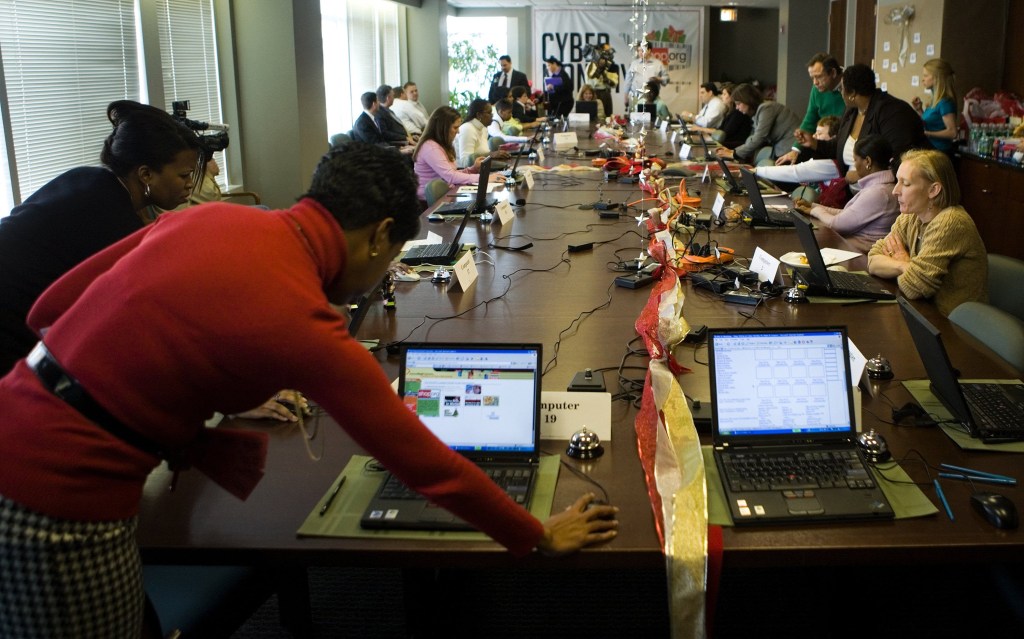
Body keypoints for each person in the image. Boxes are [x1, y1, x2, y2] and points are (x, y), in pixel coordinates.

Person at [0, 142, 619, 636]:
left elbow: (47, 310)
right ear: (379, 236)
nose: (384, 273)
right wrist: (535, 534)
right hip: (54, 504)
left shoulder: (213, 217)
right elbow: (424, 463)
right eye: (393, 254)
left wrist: (199, 373)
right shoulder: (303, 315)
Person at [0, 100, 204, 376]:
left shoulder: (87, 180)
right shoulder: (114, 224)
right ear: (145, 174)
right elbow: (146, 323)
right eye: (184, 174)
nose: (190, 184)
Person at [867, 149, 988, 316]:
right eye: (897, 181)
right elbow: (873, 260)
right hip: (926, 313)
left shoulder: (951, 222)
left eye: (906, 183)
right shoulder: (911, 216)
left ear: (933, 190)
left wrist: (899, 263)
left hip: (956, 327)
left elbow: (914, 288)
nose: (895, 190)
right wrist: (904, 264)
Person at [790, 64, 930, 185]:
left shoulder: (892, 112)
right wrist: (814, 142)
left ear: (852, 93)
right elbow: (840, 146)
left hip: (889, 192)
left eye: (842, 89)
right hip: (855, 192)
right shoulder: (852, 111)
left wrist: (861, 175)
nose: (840, 92)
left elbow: (901, 159)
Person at [791, 135, 900, 252]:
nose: (854, 166)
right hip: (853, 249)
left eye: (855, 160)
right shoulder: (881, 187)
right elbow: (847, 214)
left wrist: (814, 211)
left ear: (867, 161)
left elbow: (837, 224)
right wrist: (813, 206)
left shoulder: (878, 193)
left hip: (859, 256)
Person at [413, 106, 504, 201]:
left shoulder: (440, 144)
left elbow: (451, 174)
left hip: (447, 194)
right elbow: (451, 177)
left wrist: (472, 169)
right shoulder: (430, 148)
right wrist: (484, 178)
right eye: (455, 127)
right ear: (443, 128)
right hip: (430, 204)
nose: (458, 131)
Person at [776, 53, 846, 165]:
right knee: (788, 163)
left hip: (841, 145)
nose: (815, 83)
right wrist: (795, 150)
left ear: (833, 73)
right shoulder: (816, 89)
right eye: (812, 78)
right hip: (820, 141)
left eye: (818, 76)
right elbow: (810, 119)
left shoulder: (849, 85)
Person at [714, 83, 800, 163]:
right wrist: (734, 151)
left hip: (792, 149)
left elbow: (759, 137)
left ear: (747, 100)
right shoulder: (758, 112)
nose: (737, 108)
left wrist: (734, 154)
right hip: (784, 149)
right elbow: (752, 138)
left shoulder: (766, 108)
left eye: (738, 104)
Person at [912, 58, 958, 154]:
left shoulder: (945, 102)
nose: (923, 79)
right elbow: (932, 124)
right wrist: (920, 110)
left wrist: (927, 134)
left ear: (937, 77)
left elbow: (952, 132)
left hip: (940, 152)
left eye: (926, 75)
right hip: (931, 149)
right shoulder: (935, 101)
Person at [690, 82, 751, 150]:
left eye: (724, 94)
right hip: (727, 144)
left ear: (732, 96)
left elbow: (723, 134)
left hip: (733, 147)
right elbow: (720, 130)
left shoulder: (737, 113)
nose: (721, 96)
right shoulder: (729, 112)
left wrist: (701, 129)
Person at [455, 98, 511, 168]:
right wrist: (490, 155)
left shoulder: (484, 128)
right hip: (465, 173)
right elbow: (465, 163)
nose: (492, 115)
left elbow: (485, 154)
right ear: (479, 115)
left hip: (481, 168)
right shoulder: (467, 129)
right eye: (489, 113)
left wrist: (492, 155)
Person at [624, 41, 668, 111]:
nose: (640, 53)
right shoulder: (634, 64)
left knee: (651, 119)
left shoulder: (658, 64)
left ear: (649, 50)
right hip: (636, 97)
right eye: (639, 51)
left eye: (642, 50)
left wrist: (659, 79)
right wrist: (625, 97)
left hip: (652, 98)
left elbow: (666, 79)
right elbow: (628, 81)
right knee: (635, 119)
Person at [584, 43, 617, 117]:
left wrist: (608, 80)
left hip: (606, 93)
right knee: (595, 116)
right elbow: (591, 78)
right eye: (606, 50)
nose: (608, 53)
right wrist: (599, 68)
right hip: (594, 93)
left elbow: (614, 82)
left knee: (608, 117)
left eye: (609, 51)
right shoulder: (592, 64)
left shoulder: (611, 65)